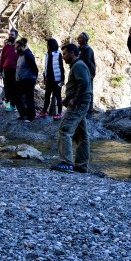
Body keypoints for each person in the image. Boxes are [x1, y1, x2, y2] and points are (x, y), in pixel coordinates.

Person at [50, 43, 92, 173]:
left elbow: (84, 83)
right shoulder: (77, 65)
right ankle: (81, 165)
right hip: (82, 103)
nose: (63, 57)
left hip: (78, 104)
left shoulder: (78, 66)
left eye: (65, 54)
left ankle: (67, 163)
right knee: (81, 135)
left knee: (64, 130)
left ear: (72, 53)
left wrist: (76, 99)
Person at [37, 38, 64, 120]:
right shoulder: (47, 54)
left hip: (57, 79)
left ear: (51, 45)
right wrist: (45, 77)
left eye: (48, 45)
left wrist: (62, 79)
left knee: (58, 96)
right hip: (49, 79)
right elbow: (46, 67)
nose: (47, 46)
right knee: (47, 96)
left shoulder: (58, 54)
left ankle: (59, 113)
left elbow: (61, 67)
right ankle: (44, 111)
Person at [14, 38, 39, 121]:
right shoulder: (20, 54)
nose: (16, 49)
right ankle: (23, 114)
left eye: (17, 47)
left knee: (29, 98)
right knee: (17, 97)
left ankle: (31, 116)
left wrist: (33, 78)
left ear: (22, 46)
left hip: (28, 80)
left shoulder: (28, 55)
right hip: (20, 80)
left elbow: (35, 69)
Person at [77, 32, 96, 115]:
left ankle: (90, 109)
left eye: (80, 38)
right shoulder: (79, 48)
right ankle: (82, 106)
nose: (78, 39)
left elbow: (86, 61)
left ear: (85, 40)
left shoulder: (88, 49)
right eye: (78, 37)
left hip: (88, 72)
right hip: (82, 72)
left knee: (89, 90)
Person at [0, 32, 19, 112]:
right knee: (7, 89)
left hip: (15, 70)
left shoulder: (18, 47)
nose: (10, 36)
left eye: (12, 35)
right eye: (10, 34)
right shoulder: (6, 47)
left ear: (16, 36)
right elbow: (2, 59)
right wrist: (1, 70)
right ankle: (8, 105)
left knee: (14, 88)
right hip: (6, 70)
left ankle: (14, 105)